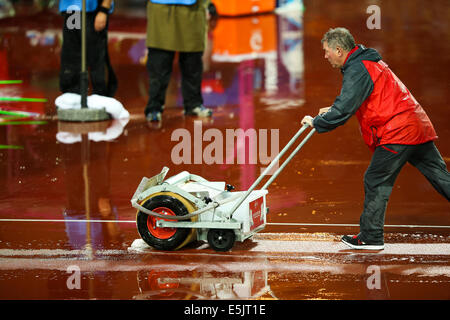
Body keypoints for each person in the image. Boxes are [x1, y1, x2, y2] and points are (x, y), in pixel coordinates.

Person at [301, 27, 450, 250]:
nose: (325, 56)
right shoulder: (367, 62)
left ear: (339, 50)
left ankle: (370, 237)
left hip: (397, 132)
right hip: (415, 125)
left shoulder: (358, 68)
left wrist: (317, 122)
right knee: (440, 177)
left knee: (376, 179)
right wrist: (332, 109)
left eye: (326, 51)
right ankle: (370, 235)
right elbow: (360, 98)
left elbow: (344, 110)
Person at [145, 0, 212, 122]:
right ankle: (154, 107)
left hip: (193, 8)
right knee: (159, 63)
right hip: (161, 7)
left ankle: (193, 105)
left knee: (193, 61)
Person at [59, 0, 117, 97]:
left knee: (96, 57)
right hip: (73, 10)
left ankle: (100, 97)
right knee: (72, 55)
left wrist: (103, 10)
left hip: (94, 12)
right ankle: (73, 96)